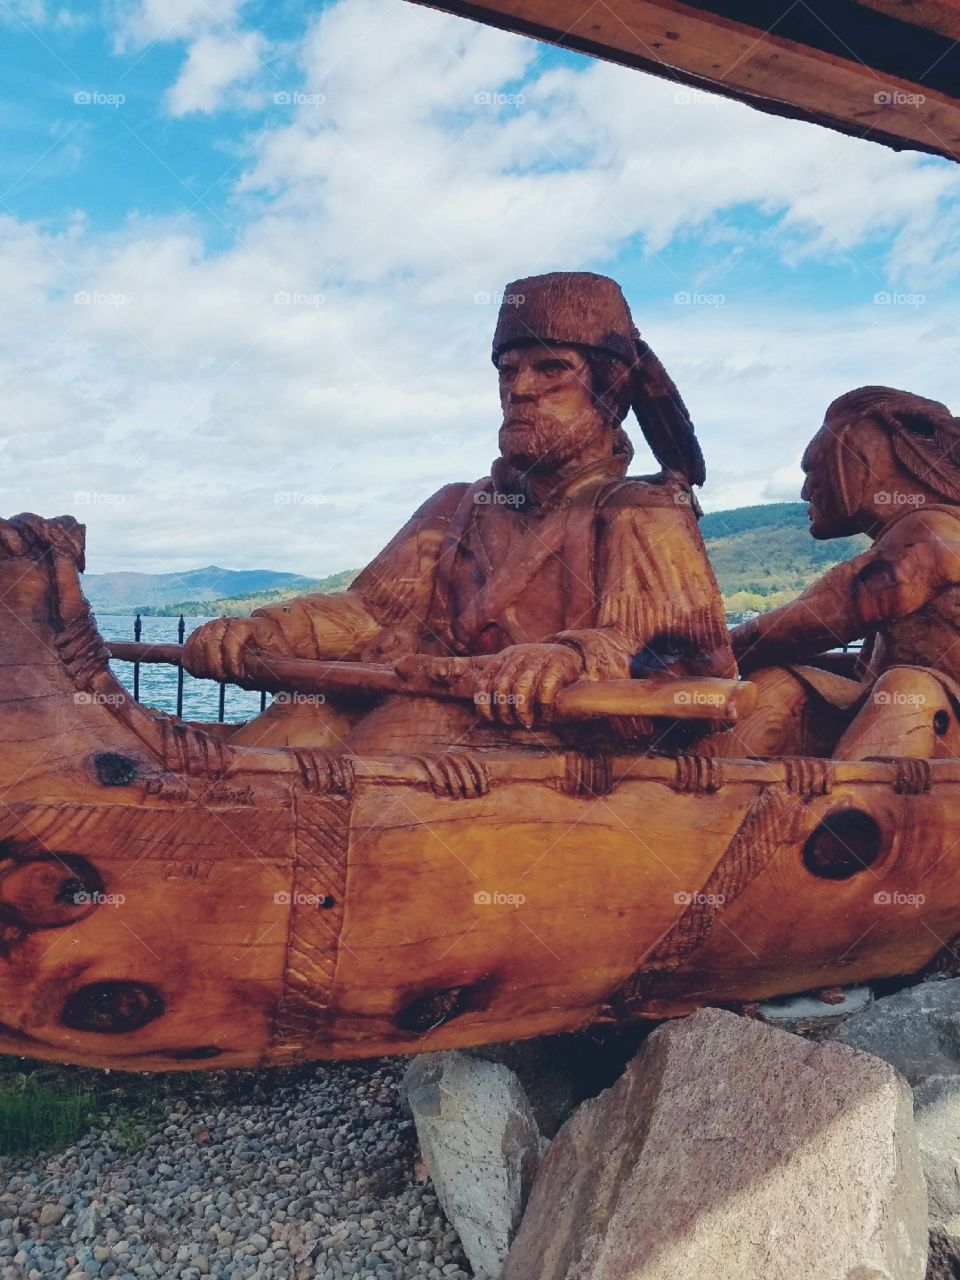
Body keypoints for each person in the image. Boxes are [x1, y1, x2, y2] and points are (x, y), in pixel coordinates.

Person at [183, 271, 734, 751]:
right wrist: (269, 632)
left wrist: (569, 659)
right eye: (507, 370)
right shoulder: (457, 506)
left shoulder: (643, 511)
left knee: (396, 732)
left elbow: (683, 669)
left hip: (560, 756)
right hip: (439, 719)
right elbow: (371, 615)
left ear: (609, 393)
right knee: (299, 721)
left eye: (551, 369)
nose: (520, 389)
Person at [718, 386, 960, 760]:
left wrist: (713, 651)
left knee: (904, 689)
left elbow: (827, 613)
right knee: (780, 685)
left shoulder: (935, 534)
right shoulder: (914, 531)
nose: (805, 491)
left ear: (857, 458)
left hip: (932, 718)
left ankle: (839, 808)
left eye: (814, 468)